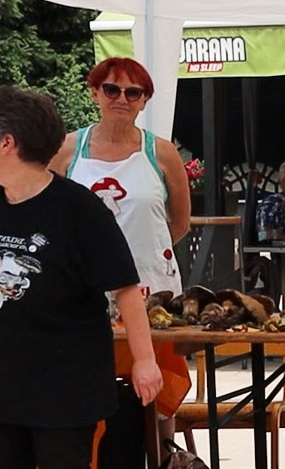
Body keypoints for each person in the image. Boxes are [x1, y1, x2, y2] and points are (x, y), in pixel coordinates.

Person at [0, 86, 164, 469]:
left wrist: (145, 361)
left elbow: (126, 289)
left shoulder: (78, 209)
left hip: (65, 374)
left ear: (8, 143)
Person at [49, 57, 192, 297]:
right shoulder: (66, 150)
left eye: (133, 93)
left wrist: (149, 251)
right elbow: (50, 216)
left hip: (151, 282)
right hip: (83, 280)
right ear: (95, 93)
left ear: (144, 101)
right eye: (112, 90)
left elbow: (181, 222)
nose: (122, 99)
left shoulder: (163, 153)